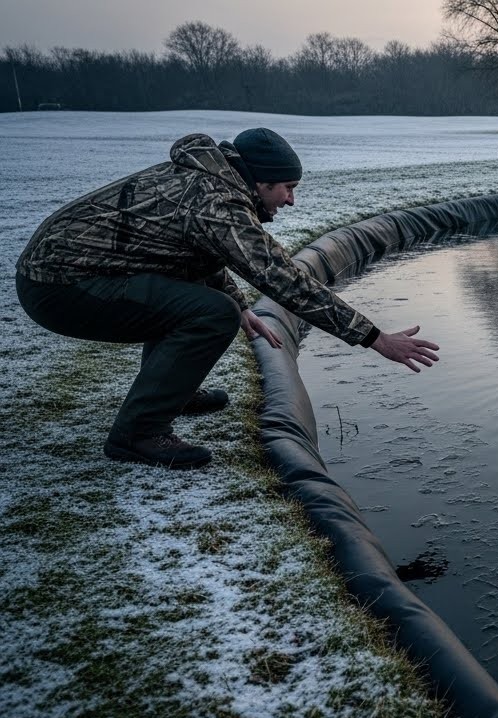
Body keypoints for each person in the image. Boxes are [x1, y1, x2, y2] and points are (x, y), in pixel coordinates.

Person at [16, 128, 440, 469]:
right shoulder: (216, 201)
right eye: (287, 188)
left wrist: (239, 302)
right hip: (60, 287)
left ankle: (171, 393)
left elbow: (200, 253)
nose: (291, 199)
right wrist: (373, 337)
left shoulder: (210, 184)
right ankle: (137, 434)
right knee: (210, 313)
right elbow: (283, 277)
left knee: (208, 302)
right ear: (260, 181)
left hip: (75, 275)